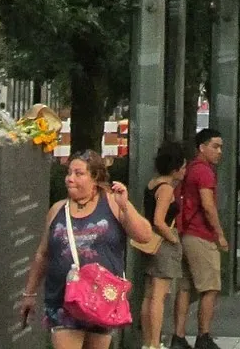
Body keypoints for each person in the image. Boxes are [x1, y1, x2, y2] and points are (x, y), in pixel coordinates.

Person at [21, 150, 155, 349]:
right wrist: (29, 293)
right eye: (69, 173)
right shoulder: (58, 210)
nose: (70, 179)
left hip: (101, 300)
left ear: (95, 178)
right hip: (64, 301)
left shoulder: (111, 203)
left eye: (79, 174)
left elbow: (145, 236)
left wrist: (125, 207)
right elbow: (43, 254)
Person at [172, 128, 228, 349]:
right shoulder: (204, 172)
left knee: (185, 287)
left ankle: (178, 336)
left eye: (220, 146)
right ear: (201, 148)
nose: (219, 151)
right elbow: (207, 204)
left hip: (185, 232)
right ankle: (203, 336)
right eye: (215, 146)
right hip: (201, 235)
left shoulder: (190, 170)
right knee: (210, 287)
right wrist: (219, 234)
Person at [141, 138, 187, 349]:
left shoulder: (152, 184)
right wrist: (173, 237)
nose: (185, 171)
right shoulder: (167, 188)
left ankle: (147, 341)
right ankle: (154, 342)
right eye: (183, 167)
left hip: (148, 242)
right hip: (162, 244)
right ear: (175, 168)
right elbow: (159, 220)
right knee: (159, 296)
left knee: (149, 295)